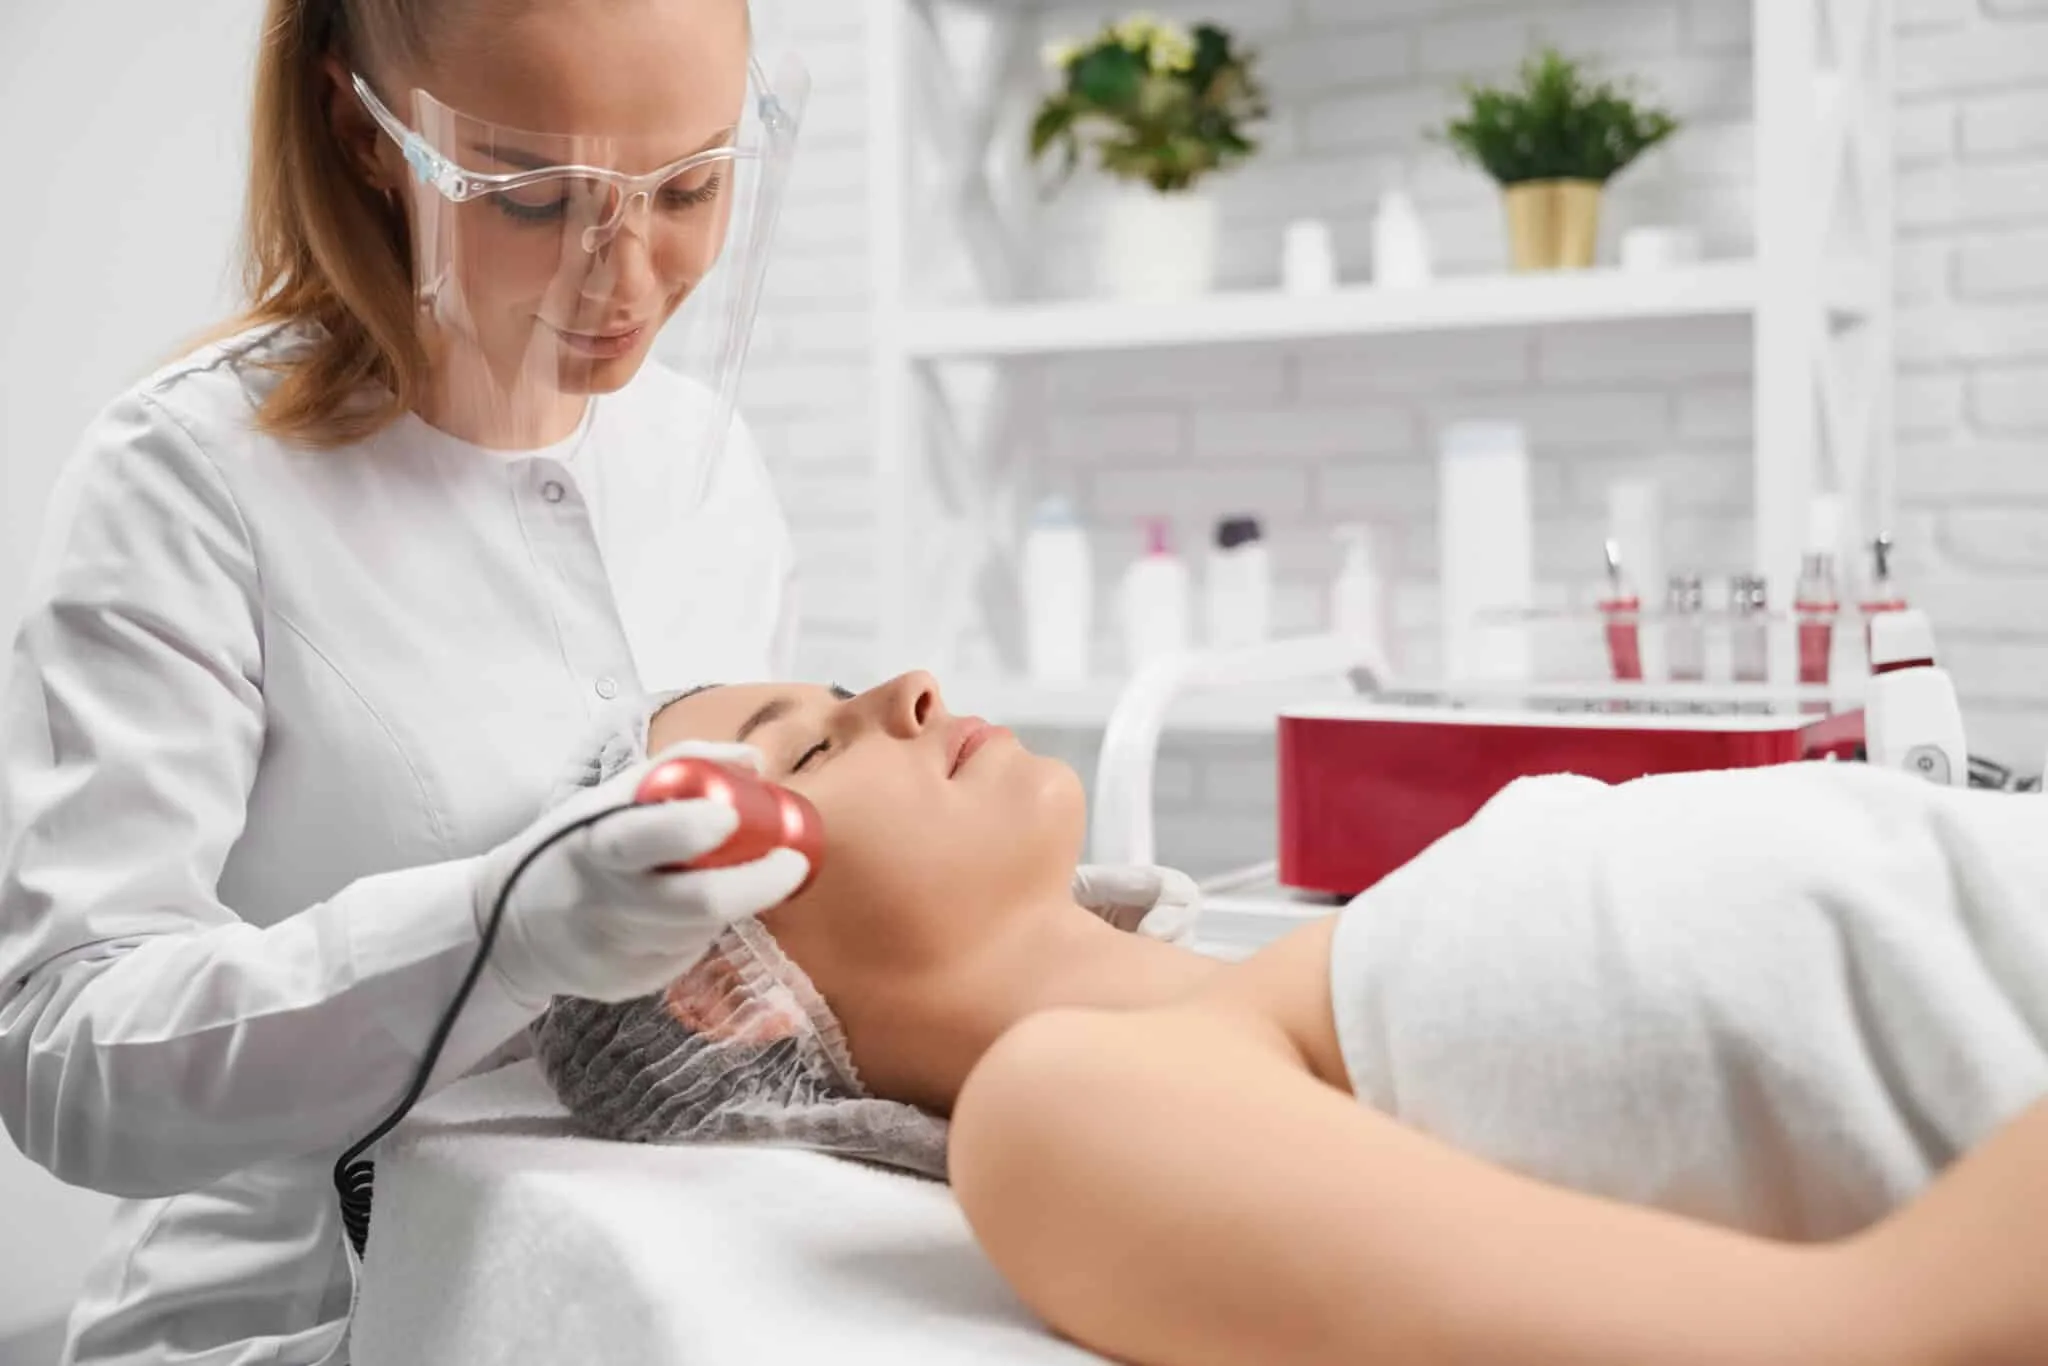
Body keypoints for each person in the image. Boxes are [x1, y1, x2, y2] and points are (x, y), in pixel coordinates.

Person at [0, 4, 1179, 1361]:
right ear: (361, 131)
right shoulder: (193, 481)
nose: (623, 277)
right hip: (298, 1319)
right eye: (534, 198)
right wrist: (494, 932)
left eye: (689, 185)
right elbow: (61, 1053)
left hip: (666, 1275)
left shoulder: (706, 464)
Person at [540, 671, 2048, 1366]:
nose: (912, 692)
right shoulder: (1065, 1107)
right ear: (716, 984)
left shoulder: (1319, 963)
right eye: (808, 741)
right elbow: (1872, 1334)